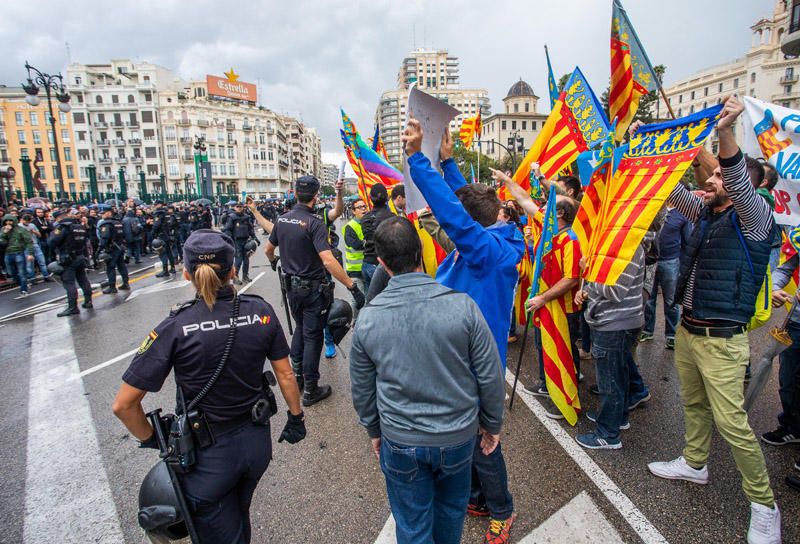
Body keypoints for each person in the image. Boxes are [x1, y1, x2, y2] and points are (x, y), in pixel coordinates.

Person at [112, 230, 306, 544]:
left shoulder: (175, 326)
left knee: (220, 529)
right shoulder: (261, 312)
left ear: (186, 273)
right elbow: (285, 375)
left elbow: (123, 405)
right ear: (232, 271)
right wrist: (296, 418)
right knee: (238, 514)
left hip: (208, 458)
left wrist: (150, 439)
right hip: (256, 445)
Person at [646, 96, 781, 544]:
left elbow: (738, 179)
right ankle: (694, 463)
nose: (713, 178)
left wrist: (724, 132)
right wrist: (647, 143)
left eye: (722, 175)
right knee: (694, 404)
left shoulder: (757, 218)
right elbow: (665, 187)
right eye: (713, 174)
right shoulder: (704, 212)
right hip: (689, 329)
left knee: (733, 424)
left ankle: (765, 506)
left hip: (723, 340)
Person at [350, 217, 505, 544]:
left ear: (381, 263)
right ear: (421, 251)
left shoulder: (368, 319)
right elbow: (490, 374)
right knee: (450, 515)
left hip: (400, 439)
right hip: (457, 436)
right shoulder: (462, 306)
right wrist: (491, 424)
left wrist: (374, 431)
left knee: (413, 526)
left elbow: (362, 390)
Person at [403, 122, 522, 544]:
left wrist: (420, 159)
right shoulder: (494, 236)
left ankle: (502, 508)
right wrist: (449, 162)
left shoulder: (486, 251)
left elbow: (459, 217)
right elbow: (468, 208)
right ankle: (477, 496)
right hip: (457, 356)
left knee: (482, 444)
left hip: (474, 364)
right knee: (464, 438)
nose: (449, 225)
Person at [265, 175, 365, 407]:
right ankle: (311, 387)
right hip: (312, 290)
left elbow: (269, 249)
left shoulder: (283, 220)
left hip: (291, 288)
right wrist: (351, 286)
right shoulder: (314, 222)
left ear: (296, 194)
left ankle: (298, 377)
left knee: (300, 329)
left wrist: (273, 262)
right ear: (316, 196)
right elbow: (328, 260)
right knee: (313, 336)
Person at [640, 207, 692, 350]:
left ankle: (671, 335)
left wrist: (684, 265)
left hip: (670, 261)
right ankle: (648, 330)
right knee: (649, 298)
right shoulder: (653, 209)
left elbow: (688, 241)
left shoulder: (682, 213)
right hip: (651, 261)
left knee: (671, 300)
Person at [49, 208, 93, 316]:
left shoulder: (62, 227)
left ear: (59, 218)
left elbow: (51, 242)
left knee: (69, 283)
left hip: (68, 259)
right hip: (80, 256)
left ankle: (72, 307)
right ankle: (88, 301)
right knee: (83, 280)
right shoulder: (79, 226)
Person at [360, 184, 395, 290]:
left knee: (370, 302)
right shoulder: (392, 217)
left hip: (367, 263)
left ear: (370, 199)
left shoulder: (364, 218)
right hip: (383, 266)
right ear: (387, 198)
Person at [97, 205, 130, 294]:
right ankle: (126, 283)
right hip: (120, 246)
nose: (102, 215)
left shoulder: (106, 224)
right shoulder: (117, 222)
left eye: (103, 213)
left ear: (109, 213)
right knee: (121, 266)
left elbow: (104, 238)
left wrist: (99, 249)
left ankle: (112, 287)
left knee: (110, 267)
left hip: (112, 248)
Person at [343, 199, 368, 319]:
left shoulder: (368, 223)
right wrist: (367, 242)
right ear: (353, 211)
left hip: (367, 268)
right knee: (359, 300)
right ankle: (355, 322)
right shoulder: (350, 227)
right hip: (355, 270)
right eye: (360, 207)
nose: (363, 209)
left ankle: (366, 322)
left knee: (369, 298)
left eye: (364, 206)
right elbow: (355, 244)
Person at [0, 214, 34, 296]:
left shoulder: (21, 230)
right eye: (7, 221)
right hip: (8, 253)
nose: (8, 222)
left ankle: (24, 290)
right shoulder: (3, 229)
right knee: (11, 273)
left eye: (10, 220)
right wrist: (5, 232)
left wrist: (30, 253)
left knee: (22, 272)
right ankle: (24, 283)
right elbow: (1, 240)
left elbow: (29, 241)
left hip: (19, 252)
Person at [223, 202, 255, 285]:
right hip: (236, 241)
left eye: (241, 206)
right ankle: (235, 277)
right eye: (237, 206)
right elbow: (227, 229)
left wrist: (255, 237)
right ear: (234, 208)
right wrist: (230, 239)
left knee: (246, 260)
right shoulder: (232, 217)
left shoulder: (246, 217)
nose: (239, 208)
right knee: (238, 260)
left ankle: (245, 276)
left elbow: (250, 228)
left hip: (246, 241)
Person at [19, 213, 54, 283]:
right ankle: (32, 278)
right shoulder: (19, 227)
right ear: (22, 220)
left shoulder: (32, 225)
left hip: (35, 244)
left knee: (42, 261)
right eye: (25, 221)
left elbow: (39, 235)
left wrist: (34, 232)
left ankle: (46, 276)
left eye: (28, 221)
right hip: (26, 246)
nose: (27, 222)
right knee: (30, 263)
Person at [152, 201, 178, 277]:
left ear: (159, 205)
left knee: (162, 253)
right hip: (168, 235)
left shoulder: (159, 213)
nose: (155, 206)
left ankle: (165, 270)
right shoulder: (167, 213)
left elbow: (156, 225)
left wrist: (153, 233)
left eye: (156, 205)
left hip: (162, 235)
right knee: (169, 252)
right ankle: (172, 268)